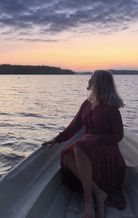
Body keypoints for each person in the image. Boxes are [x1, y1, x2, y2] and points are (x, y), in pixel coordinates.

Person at [42, 70, 126, 218]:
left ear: (99, 83)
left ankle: (88, 201)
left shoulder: (111, 109)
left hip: (107, 152)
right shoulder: (87, 104)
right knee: (66, 156)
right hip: (88, 147)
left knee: (80, 146)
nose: (89, 80)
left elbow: (118, 135)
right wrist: (57, 139)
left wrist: (95, 139)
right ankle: (98, 193)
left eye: (92, 78)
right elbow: (74, 125)